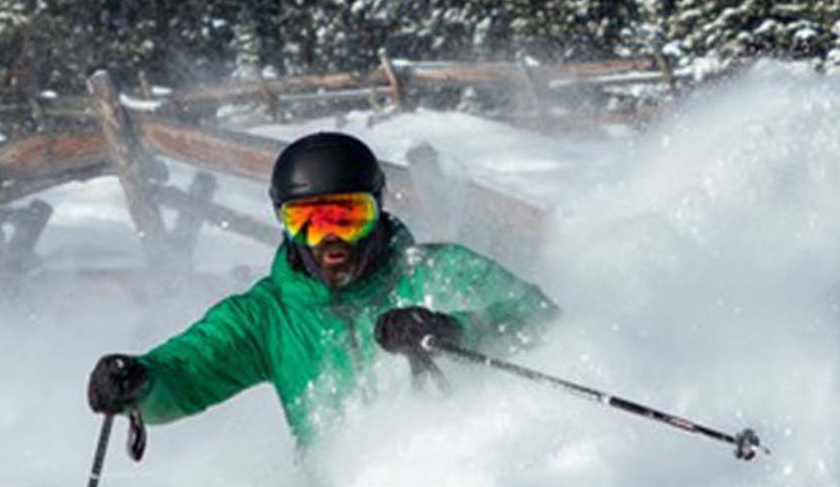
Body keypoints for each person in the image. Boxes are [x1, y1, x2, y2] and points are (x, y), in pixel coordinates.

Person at [87, 130, 556, 451]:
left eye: (346, 216)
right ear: (284, 223)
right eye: (306, 221)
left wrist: (453, 329)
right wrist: (140, 382)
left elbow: (540, 317)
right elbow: (191, 369)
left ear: (377, 210)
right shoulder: (268, 316)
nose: (330, 239)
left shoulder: (438, 272)